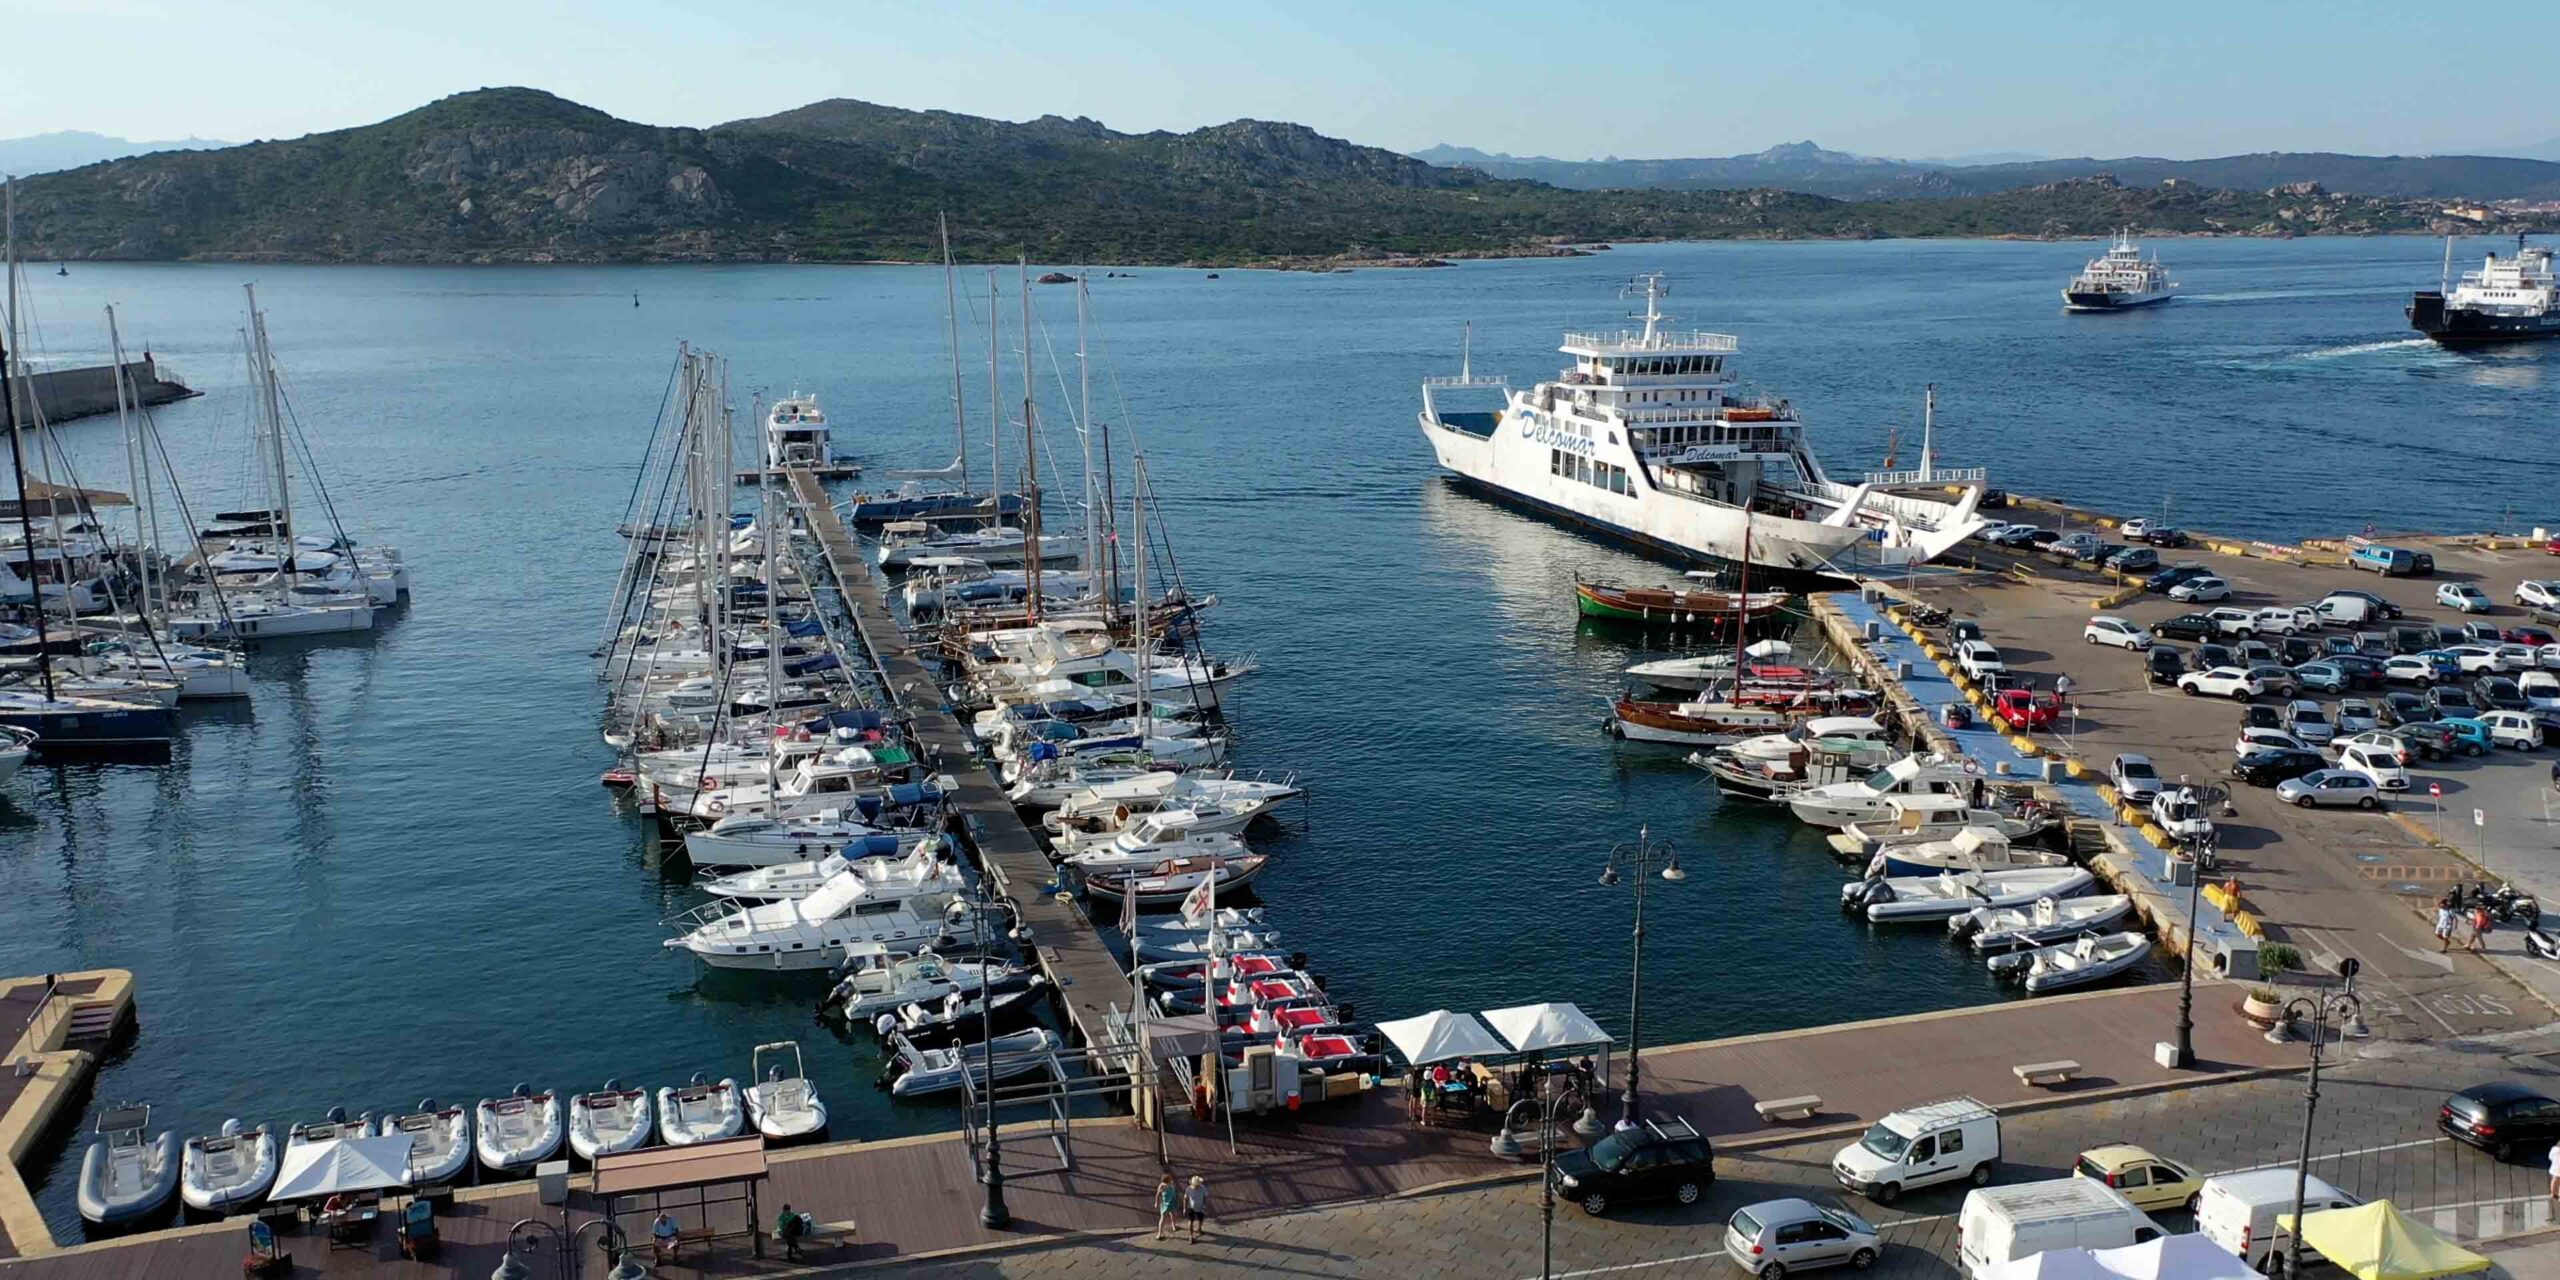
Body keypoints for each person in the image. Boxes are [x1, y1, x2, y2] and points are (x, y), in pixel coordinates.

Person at [1185, 1174, 1211, 1242]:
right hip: (1194, 1207)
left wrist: (1184, 1208)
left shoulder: (1190, 1188)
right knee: (1192, 1221)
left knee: (1199, 1219)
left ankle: (1198, 1229)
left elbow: (1205, 1197)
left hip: (1197, 1207)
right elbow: (1185, 1198)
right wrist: (1184, 1208)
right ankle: (1191, 1235)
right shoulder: (1191, 1188)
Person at [1154, 1172, 1180, 1239]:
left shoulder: (1170, 1184)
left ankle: (1173, 1226)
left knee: (1171, 1215)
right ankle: (1160, 1233)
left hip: (1171, 1202)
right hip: (1166, 1203)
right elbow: (1157, 1195)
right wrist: (1156, 1202)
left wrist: (1156, 1202)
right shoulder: (1163, 1186)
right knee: (1165, 1217)